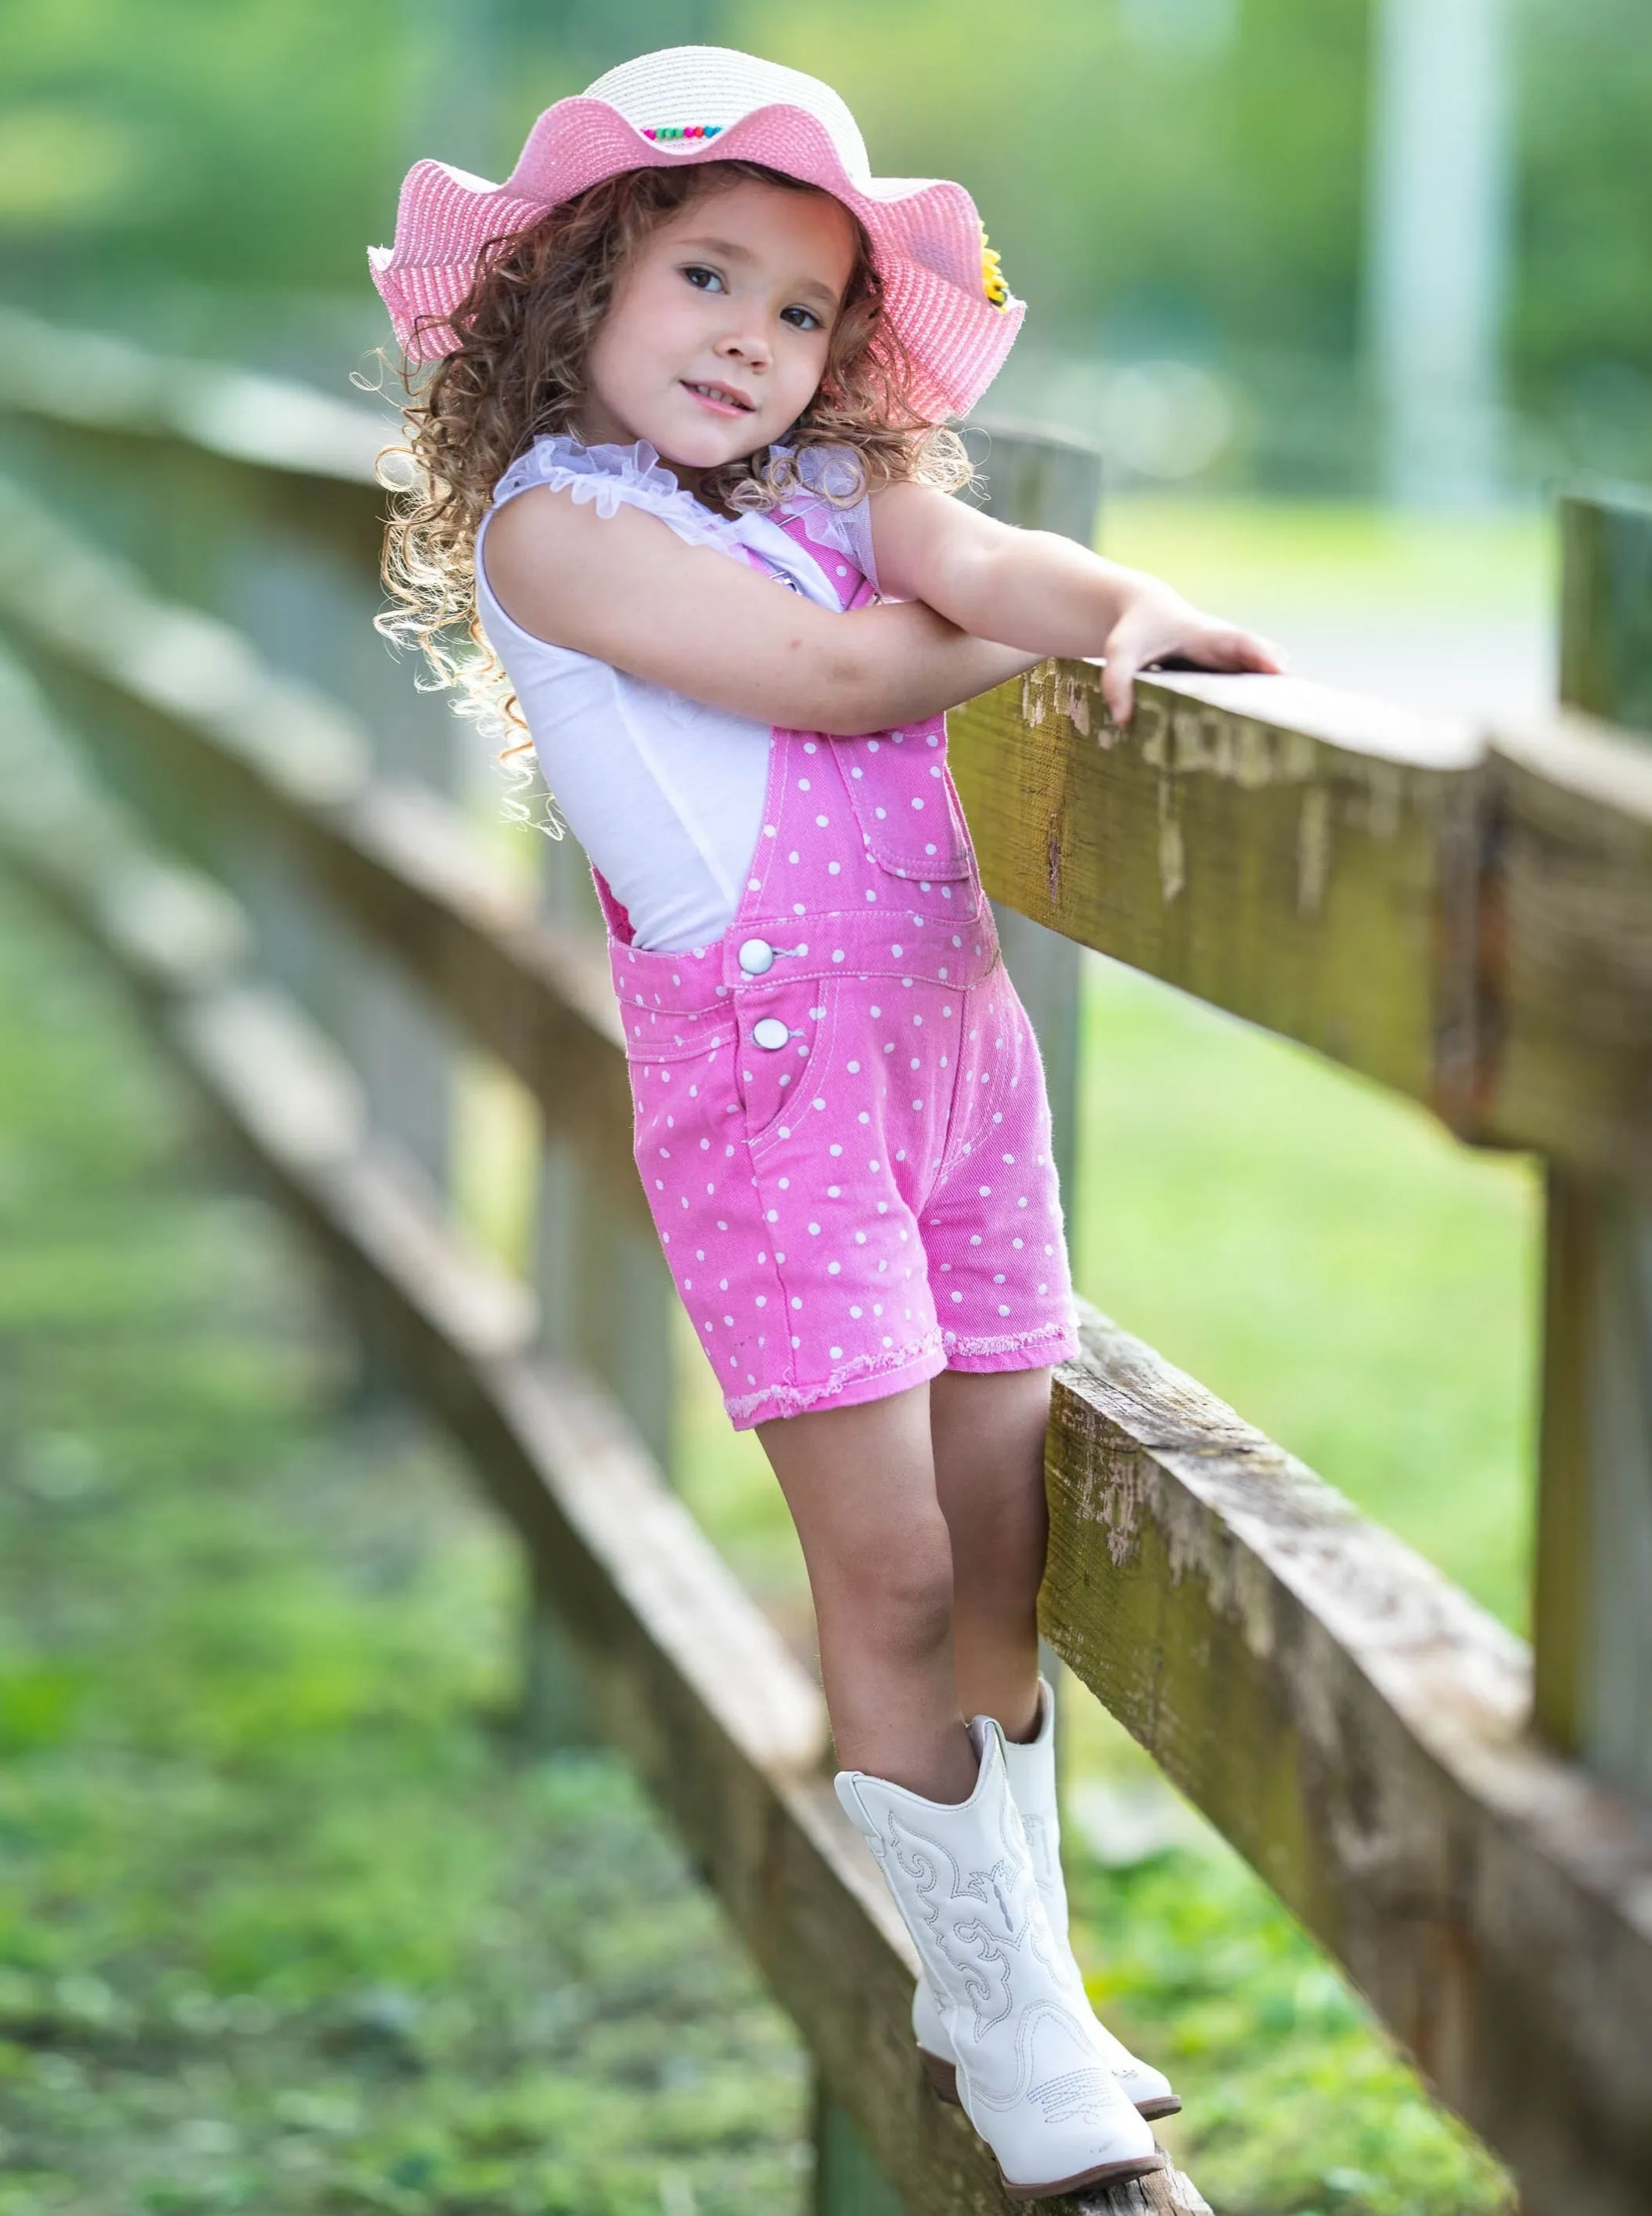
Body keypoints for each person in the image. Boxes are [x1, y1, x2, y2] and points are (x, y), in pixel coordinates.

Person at [369, 45, 1279, 2199]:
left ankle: (1015, 1977)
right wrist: (986, 623)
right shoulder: (552, 533)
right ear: (574, 289)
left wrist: (1113, 612)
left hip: (955, 1065)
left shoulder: (827, 493)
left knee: (998, 1539)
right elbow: (849, 680)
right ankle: (997, 2020)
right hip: (771, 1093)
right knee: (877, 1564)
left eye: (801, 313)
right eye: (707, 276)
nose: (752, 343)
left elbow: (980, 556)